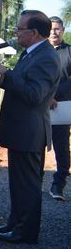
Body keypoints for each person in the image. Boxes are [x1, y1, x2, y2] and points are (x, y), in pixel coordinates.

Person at [0, 10, 61, 244]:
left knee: (27, 185)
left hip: (30, 131)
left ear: (34, 33)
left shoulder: (46, 57)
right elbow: (22, 83)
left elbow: (33, 94)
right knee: (18, 183)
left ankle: (25, 233)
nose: (16, 33)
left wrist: (5, 73)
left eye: (20, 29)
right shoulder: (31, 54)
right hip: (21, 130)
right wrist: (3, 79)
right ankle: (14, 223)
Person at [48, 16, 71, 201]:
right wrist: (47, 97)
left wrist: (56, 96)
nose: (54, 32)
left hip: (61, 108)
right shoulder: (40, 51)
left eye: (57, 29)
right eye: (51, 28)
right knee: (35, 146)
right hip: (38, 106)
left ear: (63, 30)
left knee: (62, 148)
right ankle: (33, 182)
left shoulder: (69, 52)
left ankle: (58, 185)